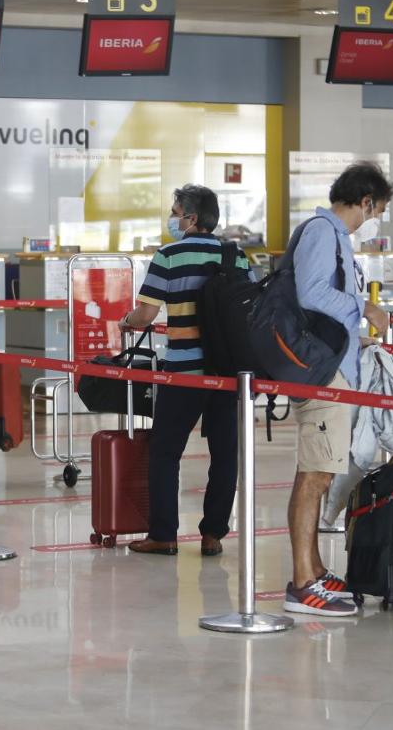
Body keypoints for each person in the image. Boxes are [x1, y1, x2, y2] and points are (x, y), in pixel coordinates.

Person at [284, 162, 393, 617]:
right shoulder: (322, 233)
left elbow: (322, 309)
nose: (375, 219)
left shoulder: (334, 239)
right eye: (377, 210)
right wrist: (363, 305)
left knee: (320, 472)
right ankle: (302, 583)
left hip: (332, 365)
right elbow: (309, 294)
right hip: (321, 373)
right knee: (314, 476)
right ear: (365, 200)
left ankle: (313, 567)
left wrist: (355, 334)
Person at [118, 185, 251, 557]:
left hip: (183, 372)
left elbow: (145, 315)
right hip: (227, 371)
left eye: (175, 211)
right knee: (224, 455)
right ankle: (213, 535)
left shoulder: (169, 255)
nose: (172, 218)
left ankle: (164, 535)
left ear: (191, 218)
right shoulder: (235, 255)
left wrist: (127, 321)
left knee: (165, 452)